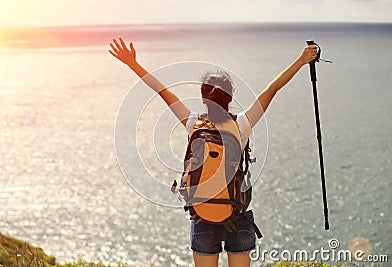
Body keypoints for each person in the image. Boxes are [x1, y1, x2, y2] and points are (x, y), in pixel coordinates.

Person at [108, 37, 317, 267]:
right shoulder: (241, 125)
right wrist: (301, 60)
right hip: (237, 216)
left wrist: (133, 63)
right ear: (229, 98)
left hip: (203, 217)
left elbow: (161, 90)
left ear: (203, 98)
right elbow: (273, 88)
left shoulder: (194, 123)